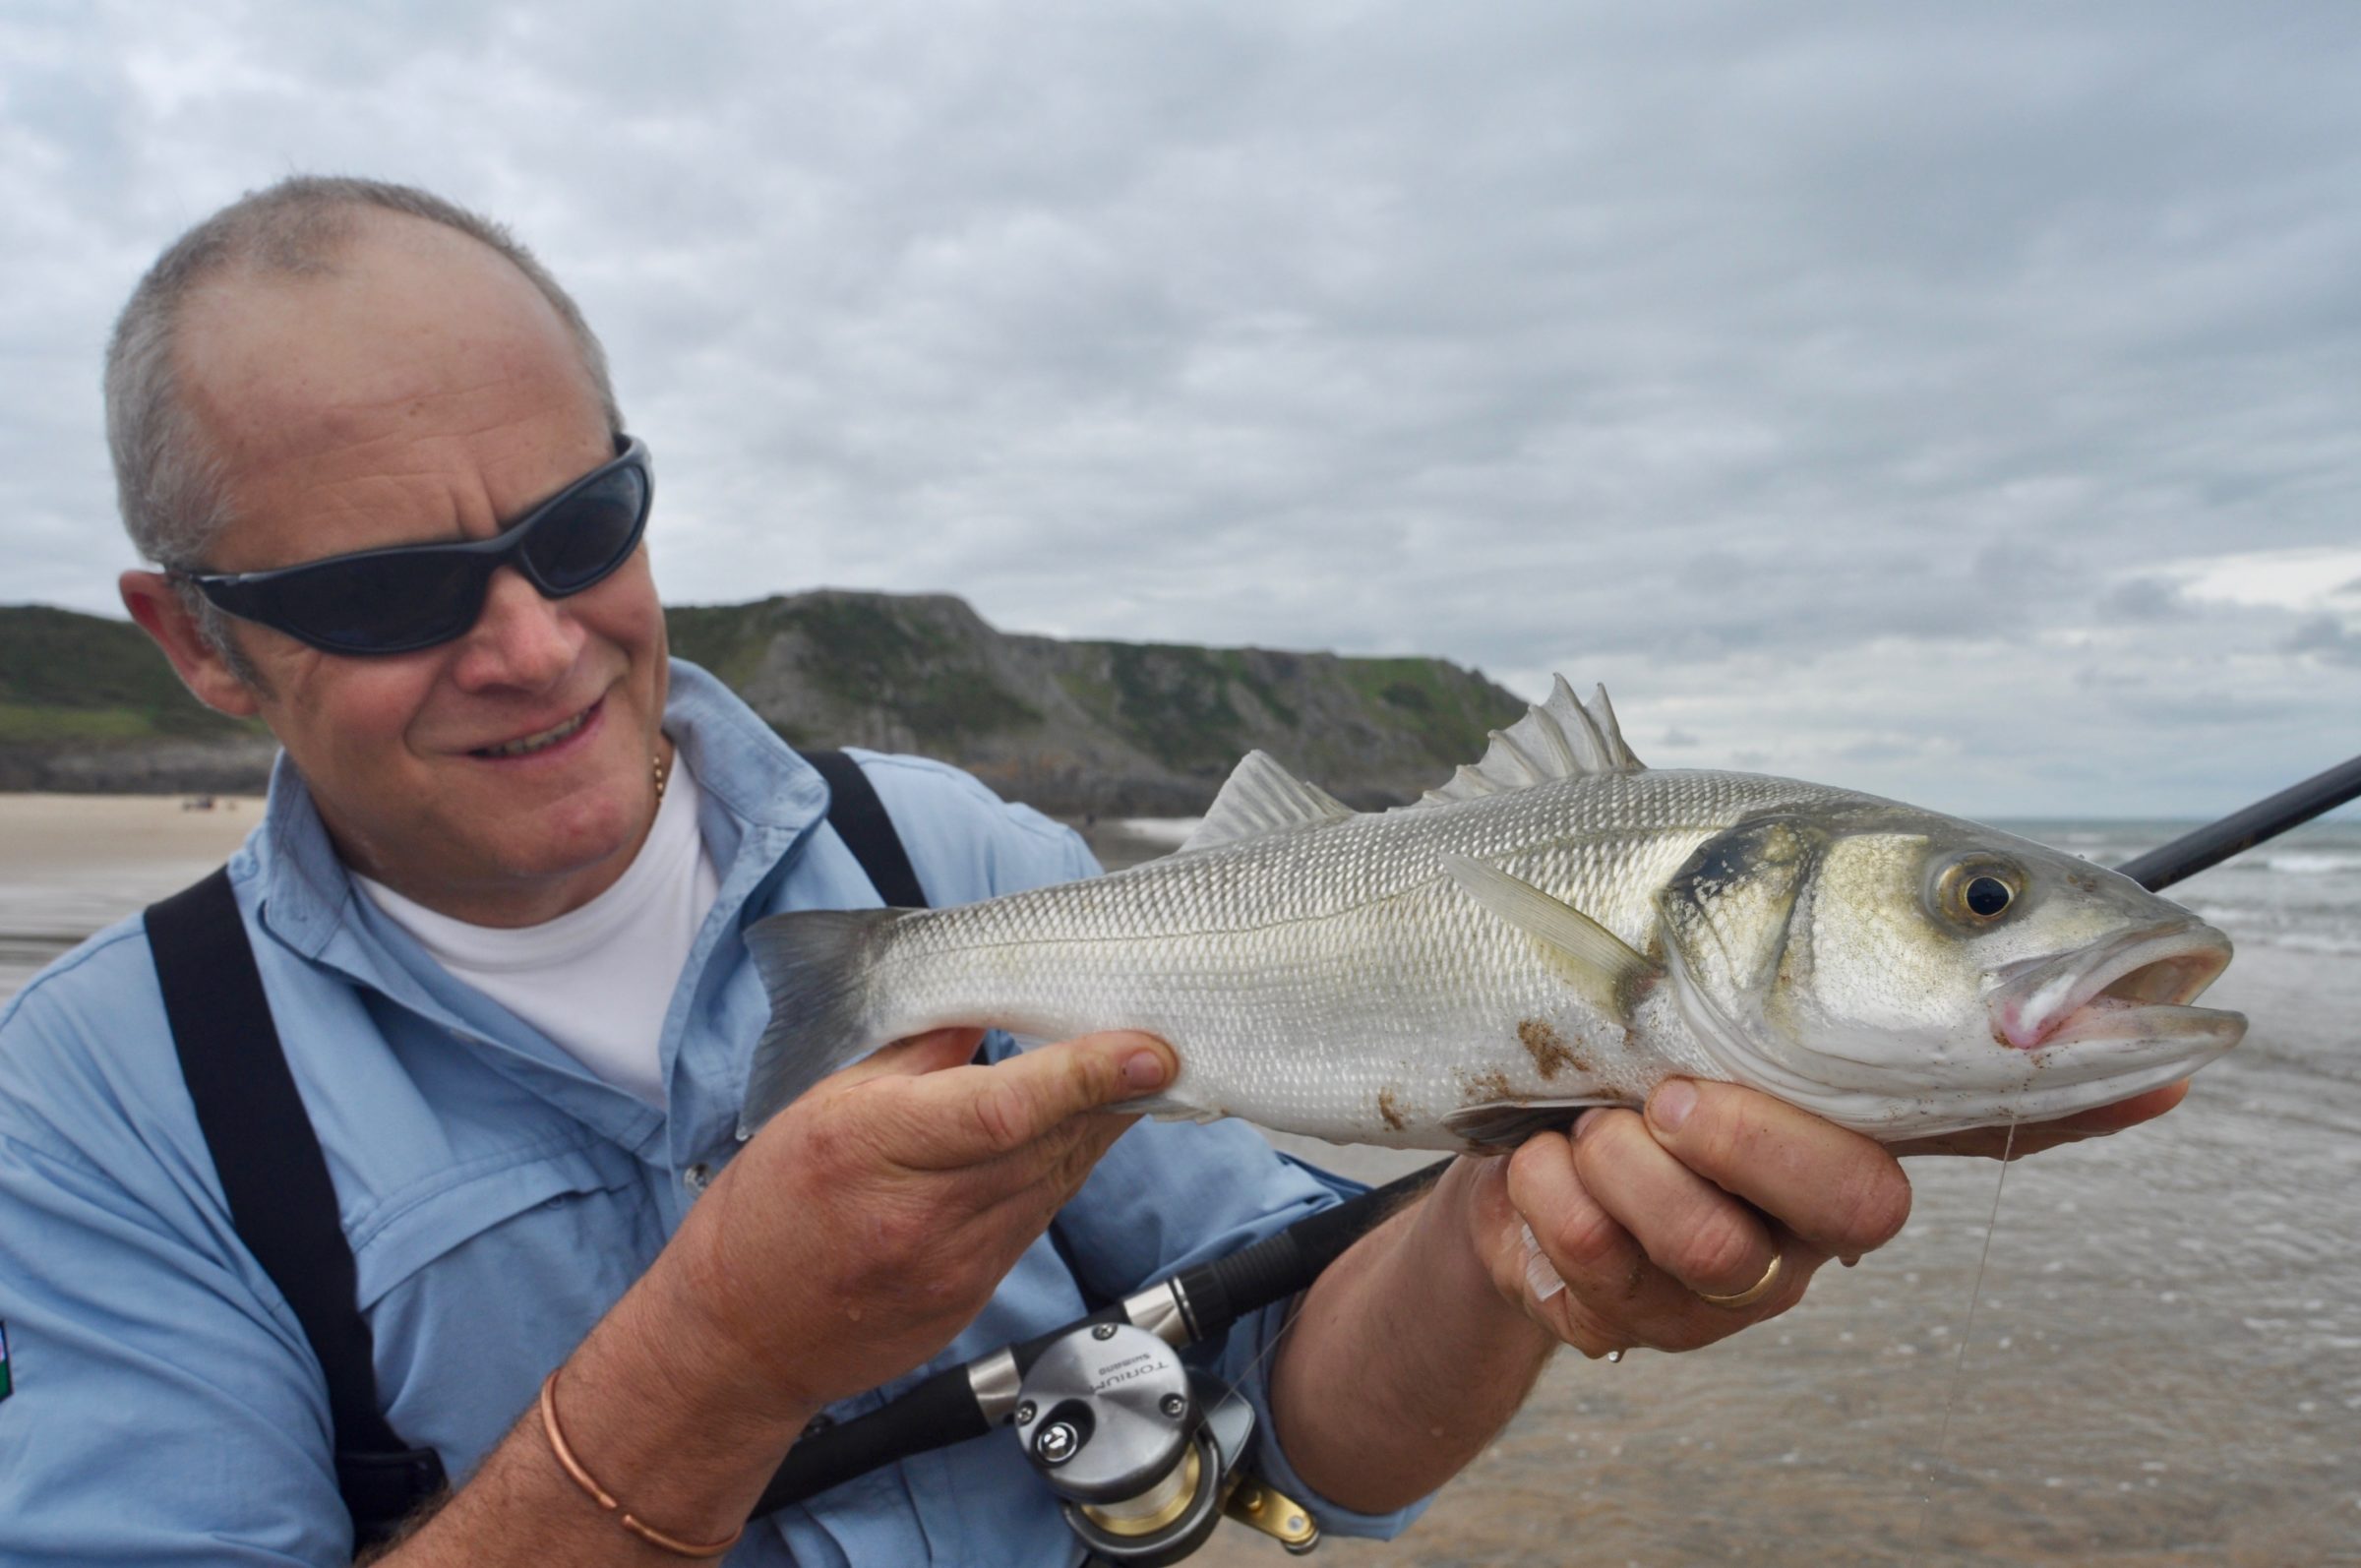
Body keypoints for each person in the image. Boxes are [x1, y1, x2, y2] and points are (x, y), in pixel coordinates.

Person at [0, 177, 2184, 1566]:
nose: (535, 637)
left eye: (582, 528)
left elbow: (1314, 1419)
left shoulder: (947, 860)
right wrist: (723, 1352)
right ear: (190, 635)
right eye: (392, 586)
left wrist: (1504, 1247)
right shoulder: (92, 1111)